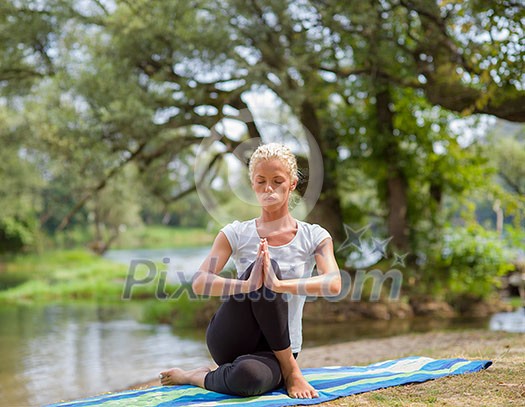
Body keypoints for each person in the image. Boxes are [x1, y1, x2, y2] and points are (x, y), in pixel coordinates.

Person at [159, 143, 341, 399]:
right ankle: (291, 371)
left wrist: (279, 285)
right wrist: (248, 285)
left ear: (292, 183)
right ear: (252, 185)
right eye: (261, 181)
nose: (269, 188)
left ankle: (196, 376)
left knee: (249, 379)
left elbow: (333, 283)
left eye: (277, 181)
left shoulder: (314, 236)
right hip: (232, 337)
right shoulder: (235, 233)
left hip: (279, 348)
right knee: (264, 269)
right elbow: (200, 282)